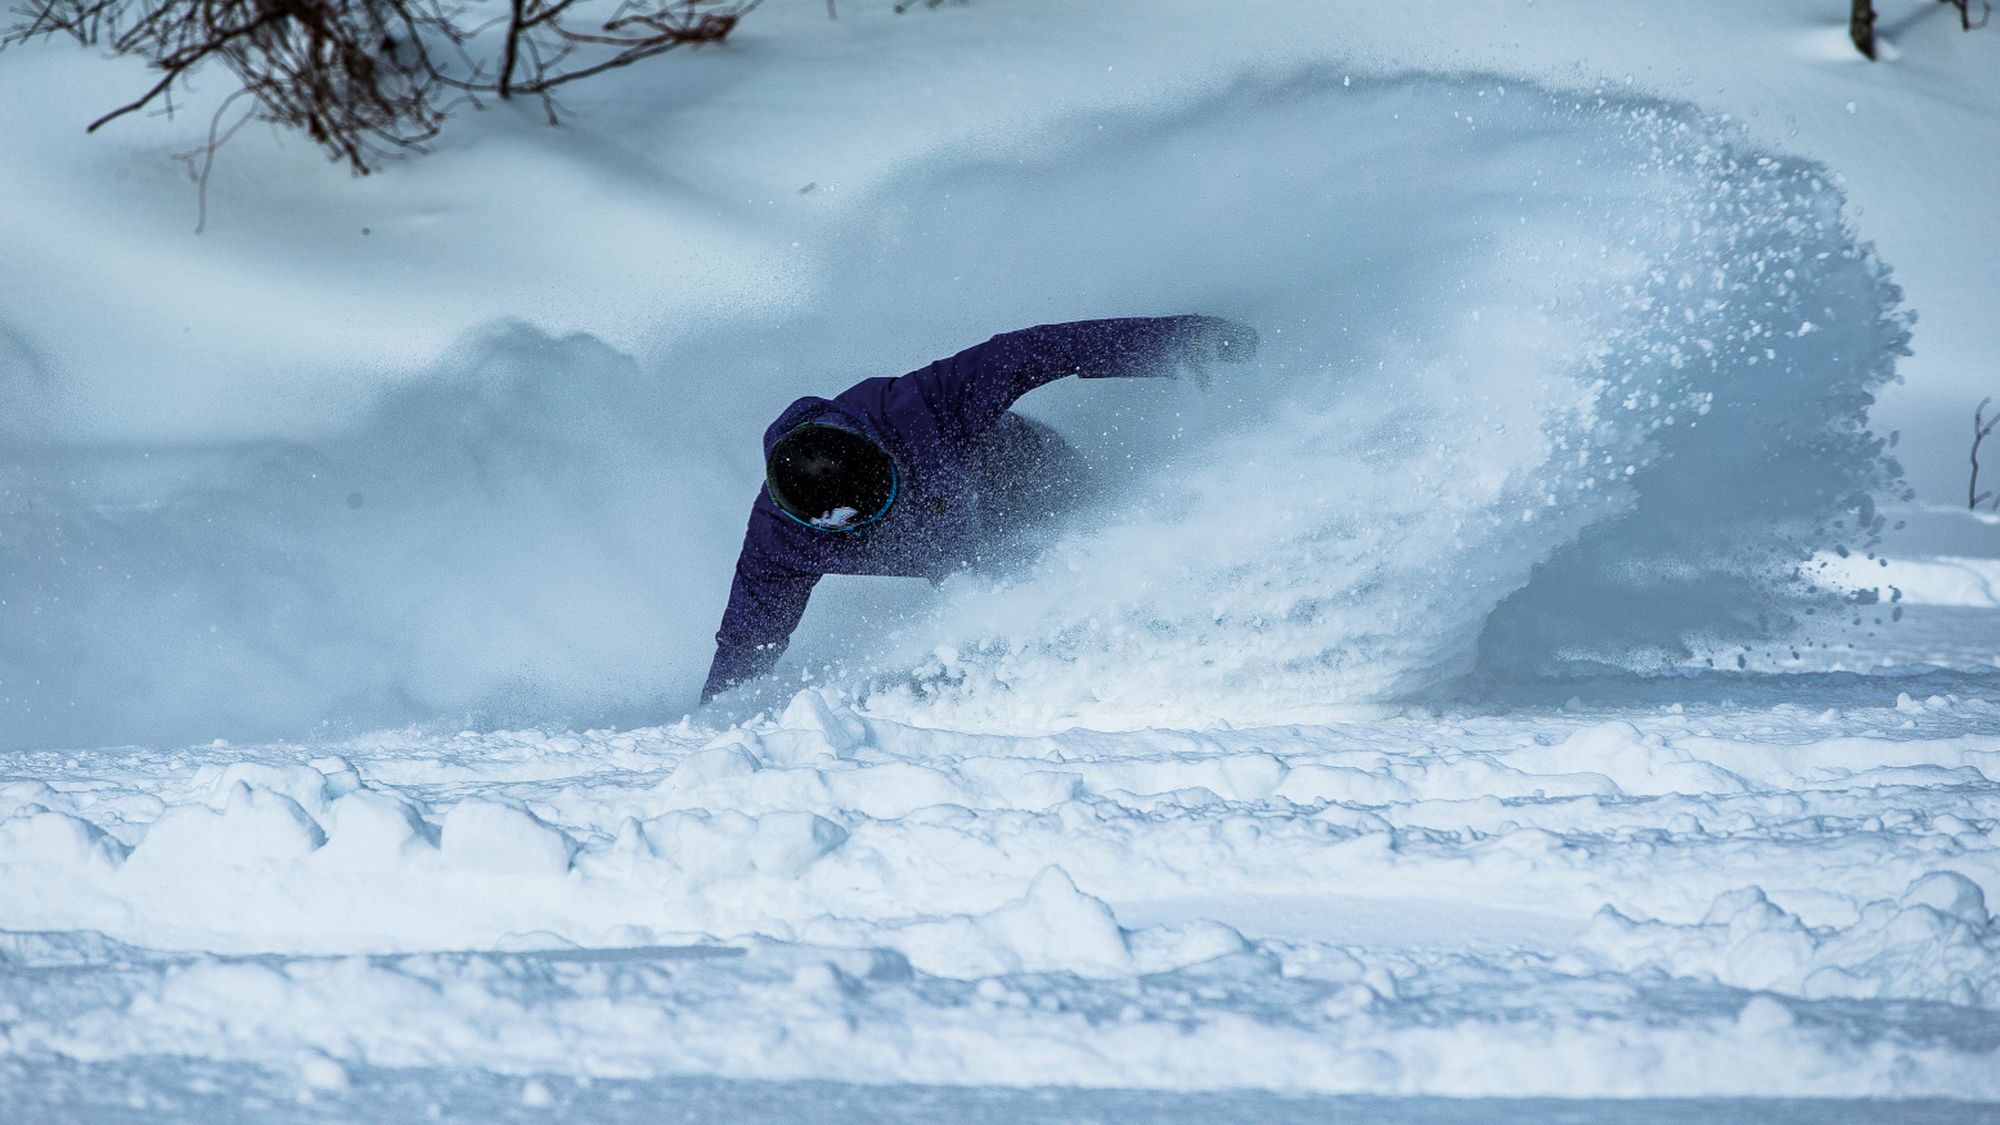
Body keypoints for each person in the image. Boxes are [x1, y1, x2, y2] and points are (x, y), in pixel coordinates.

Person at [701, 315, 1259, 703]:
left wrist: (1180, 340)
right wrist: (717, 724)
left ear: (883, 453)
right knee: (1003, 602)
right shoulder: (780, 539)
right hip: (971, 558)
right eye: (855, 527)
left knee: (1108, 546)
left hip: (1039, 482)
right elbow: (750, 638)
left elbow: (1041, 351)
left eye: (882, 496)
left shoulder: (921, 404)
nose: (881, 523)